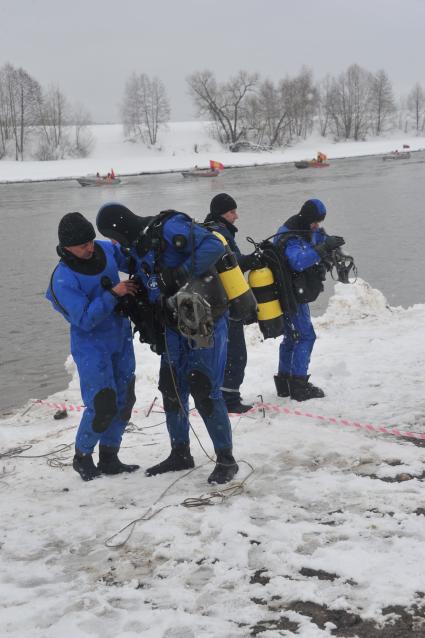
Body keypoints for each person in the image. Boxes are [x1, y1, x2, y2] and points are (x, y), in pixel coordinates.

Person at [96, 204, 239, 484]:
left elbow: (213, 246)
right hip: (172, 322)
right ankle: (180, 453)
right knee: (171, 387)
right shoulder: (138, 245)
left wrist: (178, 274)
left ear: (120, 229)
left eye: (112, 236)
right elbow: (131, 265)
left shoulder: (169, 227)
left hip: (202, 315)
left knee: (203, 386)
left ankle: (226, 459)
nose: (115, 242)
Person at [46, 212, 140, 481]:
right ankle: (83, 456)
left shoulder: (104, 249)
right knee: (103, 403)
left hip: (120, 337)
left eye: (90, 241)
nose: (90, 247)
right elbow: (84, 319)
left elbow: (131, 258)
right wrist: (113, 294)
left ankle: (110, 457)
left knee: (125, 399)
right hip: (92, 346)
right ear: (66, 247)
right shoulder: (62, 280)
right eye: (82, 245)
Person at [272, 199, 345, 401]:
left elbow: (318, 236)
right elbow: (297, 261)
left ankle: (285, 383)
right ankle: (299, 386)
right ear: (307, 218)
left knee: (291, 337)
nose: (317, 226)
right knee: (306, 336)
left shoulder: (301, 226)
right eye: (315, 222)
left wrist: (330, 243)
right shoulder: (291, 236)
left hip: (286, 292)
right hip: (292, 295)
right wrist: (322, 250)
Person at [204, 193, 260, 413]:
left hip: (217, 301)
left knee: (225, 352)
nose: (236, 216)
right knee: (235, 353)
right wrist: (252, 259)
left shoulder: (211, 231)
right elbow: (229, 265)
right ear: (221, 214)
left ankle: (221, 395)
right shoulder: (219, 233)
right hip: (227, 302)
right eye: (231, 212)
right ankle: (230, 400)